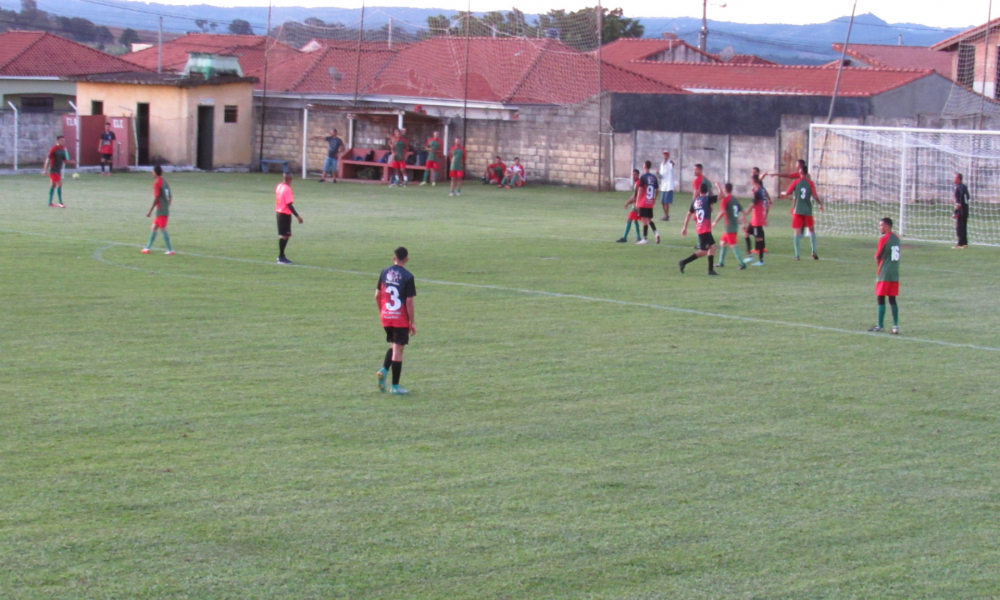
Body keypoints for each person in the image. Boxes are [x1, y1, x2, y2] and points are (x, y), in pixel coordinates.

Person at [375, 246, 417, 395]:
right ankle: (395, 386)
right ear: (407, 259)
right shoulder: (408, 276)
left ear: (394, 258)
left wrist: (382, 311)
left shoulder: (385, 272)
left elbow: (377, 295)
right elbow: (409, 301)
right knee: (398, 350)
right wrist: (412, 322)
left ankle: (384, 370)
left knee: (395, 346)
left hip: (386, 316)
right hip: (399, 318)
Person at [779, 164, 823, 260]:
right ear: (807, 173)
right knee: (811, 230)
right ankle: (814, 251)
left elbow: (787, 193)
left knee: (797, 232)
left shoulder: (796, 182)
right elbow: (815, 196)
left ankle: (797, 255)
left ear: (799, 172)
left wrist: (783, 193)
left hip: (797, 210)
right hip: (807, 210)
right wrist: (820, 204)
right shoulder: (810, 183)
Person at [869, 217, 900, 334]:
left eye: (881, 225)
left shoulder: (883, 239)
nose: (880, 227)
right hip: (895, 273)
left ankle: (880, 325)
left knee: (880, 297)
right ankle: (895, 326)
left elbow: (878, 256)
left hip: (884, 272)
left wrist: (878, 262)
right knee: (892, 299)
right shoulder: (897, 238)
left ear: (887, 226)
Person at [679, 181, 719, 275]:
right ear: (707, 191)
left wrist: (685, 227)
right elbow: (722, 195)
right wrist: (718, 186)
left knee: (712, 247)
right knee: (703, 251)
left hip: (700, 228)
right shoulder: (708, 199)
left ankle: (710, 270)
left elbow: (688, 214)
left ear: (699, 191)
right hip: (705, 229)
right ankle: (684, 262)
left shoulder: (695, 201)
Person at [711, 182, 747, 270]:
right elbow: (743, 211)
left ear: (725, 189)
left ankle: (742, 264)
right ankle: (721, 263)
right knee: (722, 242)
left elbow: (722, 212)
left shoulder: (726, 200)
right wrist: (743, 222)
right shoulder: (735, 199)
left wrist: (715, 221)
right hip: (734, 226)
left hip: (729, 227)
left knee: (733, 245)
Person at [141, 165, 174, 255]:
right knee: (154, 227)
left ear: (155, 173)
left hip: (160, 209)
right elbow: (170, 196)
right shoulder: (165, 182)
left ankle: (170, 250)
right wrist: (167, 206)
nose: (152, 173)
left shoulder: (157, 183)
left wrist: (150, 210)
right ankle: (147, 248)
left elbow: (157, 198)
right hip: (164, 208)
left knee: (163, 229)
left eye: (152, 171)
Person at [275, 172, 303, 264]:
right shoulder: (287, 189)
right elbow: (289, 204)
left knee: (287, 235)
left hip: (279, 212)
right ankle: (281, 257)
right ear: (290, 179)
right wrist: (297, 216)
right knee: (284, 235)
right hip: (284, 214)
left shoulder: (279, 186)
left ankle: (282, 256)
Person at [42, 135, 74, 208]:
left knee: (53, 185)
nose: (63, 142)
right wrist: (45, 170)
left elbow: (64, 160)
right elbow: (48, 159)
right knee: (60, 184)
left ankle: (50, 202)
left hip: (58, 170)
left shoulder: (63, 149)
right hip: (53, 170)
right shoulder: (54, 149)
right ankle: (60, 203)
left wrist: (71, 162)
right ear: (57, 141)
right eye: (61, 141)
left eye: (64, 141)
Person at [745, 174, 769, 267]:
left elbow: (752, 205)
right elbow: (766, 204)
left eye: (751, 181)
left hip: (757, 220)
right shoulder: (762, 190)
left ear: (753, 181)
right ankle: (750, 255)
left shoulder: (758, 192)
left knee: (759, 238)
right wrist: (765, 217)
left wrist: (745, 214)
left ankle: (761, 260)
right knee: (746, 233)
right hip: (756, 218)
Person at [635, 160, 660, 245]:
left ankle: (645, 238)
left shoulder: (643, 177)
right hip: (650, 202)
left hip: (643, 202)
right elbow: (657, 190)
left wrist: (637, 202)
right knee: (649, 219)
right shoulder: (654, 178)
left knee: (643, 220)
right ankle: (656, 233)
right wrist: (654, 199)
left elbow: (640, 190)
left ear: (645, 166)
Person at [617, 169, 643, 243]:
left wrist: (628, 202)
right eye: (632, 175)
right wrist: (628, 201)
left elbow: (637, 197)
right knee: (636, 220)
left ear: (638, 175)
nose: (633, 176)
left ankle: (624, 238)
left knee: (630, 219)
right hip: (638, 204)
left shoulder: (638, 183)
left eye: (635, 175)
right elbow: (635, 195)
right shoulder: (637, 183)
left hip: (637, 205)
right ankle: (638, 237)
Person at [953, 172, 970, 249]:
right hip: (966, 209)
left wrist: (955, 212)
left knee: (959, 227)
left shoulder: (958, 188)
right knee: (964, 226)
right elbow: (968, 197)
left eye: (955, 177)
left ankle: (960, 244)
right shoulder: (964, 187)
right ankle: (965, 243)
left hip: (961, 210)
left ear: (958, 179)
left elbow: (958, 203)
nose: (953, 179)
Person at [658, 150, 675, 221]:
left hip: (669, 185)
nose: (665, 156)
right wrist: (658, 175)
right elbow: (661, 175)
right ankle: (666, 215)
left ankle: (666, 216)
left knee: (666, 202)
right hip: (663, 185)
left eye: (666, 155)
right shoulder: (662, 164)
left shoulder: (670, 163)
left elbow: (672, 166)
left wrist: (673, 164)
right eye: (664, 154)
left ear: (668, 156)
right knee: (662, 201)